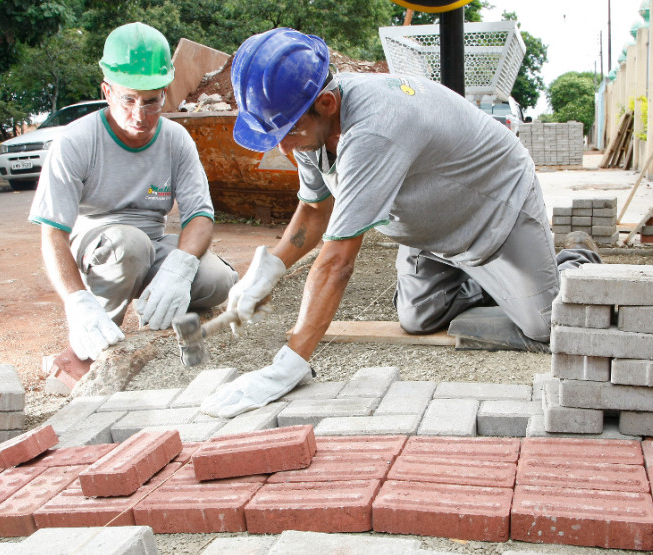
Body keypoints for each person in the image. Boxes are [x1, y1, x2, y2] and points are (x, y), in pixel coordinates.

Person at [202, 28, 599, 418]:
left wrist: (288, 365)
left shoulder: (373, 129)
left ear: (326, 103)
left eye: (287, 132)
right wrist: (270, 268)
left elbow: (336, 263)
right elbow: (314, 210)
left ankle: (574, 260)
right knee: (417, 317)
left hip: (494, 209)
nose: (282, 146)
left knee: (545, 325)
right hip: (433, 229)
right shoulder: (308, 125)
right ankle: (493, 281)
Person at [29, 22, 237, 370]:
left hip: (152, 245)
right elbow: (53, 233)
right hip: (100, 247)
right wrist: (77, 301)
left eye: (151, 102)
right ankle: (91, 349)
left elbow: (200, 216)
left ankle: (161, 329)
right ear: (107, 91)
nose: (140, 115)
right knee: (130, 246)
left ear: (164, 93)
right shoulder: (76, 141)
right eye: (128, 99)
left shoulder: (176, 140)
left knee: (218, 279)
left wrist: (178, 270)